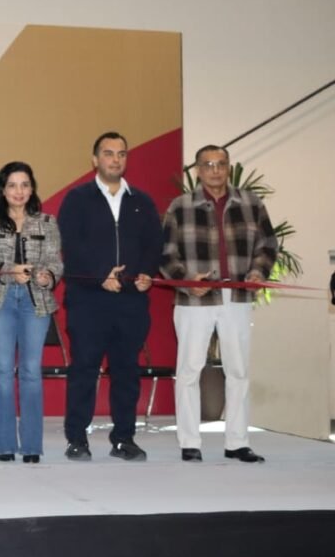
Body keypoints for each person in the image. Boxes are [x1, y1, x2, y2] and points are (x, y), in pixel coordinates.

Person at [160, 145, 276, 463]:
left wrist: (257, 272)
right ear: (198, 170)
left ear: (229, 167)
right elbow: (165, 254)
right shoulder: (180, 206)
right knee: (189, 370)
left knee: (238, 371)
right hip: (193, 299)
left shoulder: (251, 203)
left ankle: (237, 442)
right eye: (208, 164)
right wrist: (186, 279)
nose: (215, 170)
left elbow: (268, 245)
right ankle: (189, 442)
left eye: (221, 164)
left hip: (237, 297)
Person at [58, 132, 163, 462]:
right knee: (84, 370)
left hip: (131, 301)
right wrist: (101, 274)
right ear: (95, 160)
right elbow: (70, 245)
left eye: (121, 154)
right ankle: (77, 438)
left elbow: (154, 244)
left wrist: (146, 273)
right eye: (108, 153)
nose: (115, 159)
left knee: (126, 372)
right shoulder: (77, 199)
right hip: (88, 300)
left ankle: (124, 439)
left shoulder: (141, 201)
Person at [0, 162, 62, 464]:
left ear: (32, 189)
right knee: (1, 371)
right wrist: (10, 271)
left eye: (25, 185)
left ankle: (32, 446)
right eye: (12, 185)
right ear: (2, 190)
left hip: (36, 302)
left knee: (31, 372)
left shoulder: (47, 222)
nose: (19, 191)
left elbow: (55, 262)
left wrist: (48, 276)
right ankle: (4, 445)